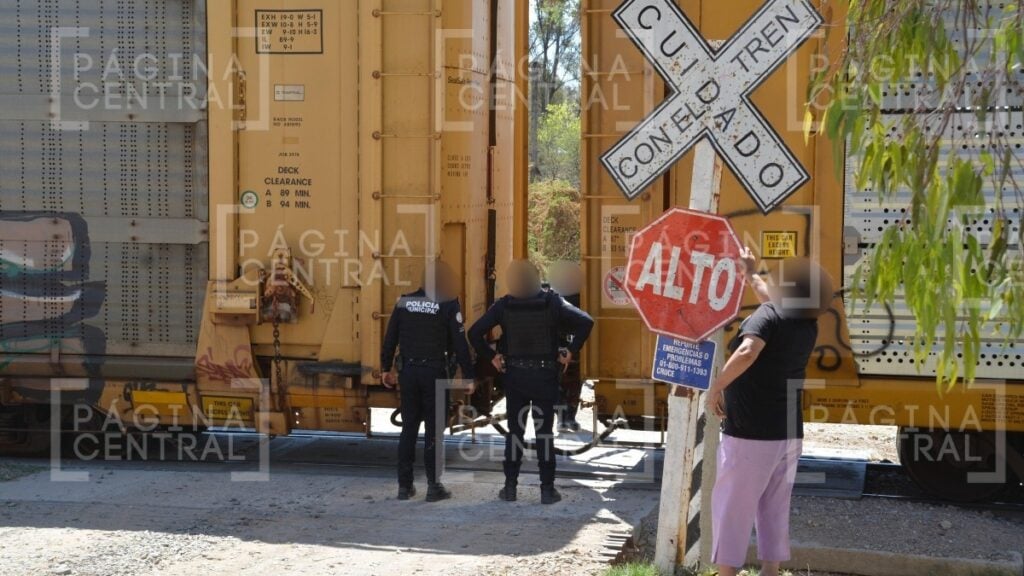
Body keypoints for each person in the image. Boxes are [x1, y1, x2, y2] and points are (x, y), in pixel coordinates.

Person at [704, 249, 835, 576]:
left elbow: (748, 351)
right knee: (774, 505)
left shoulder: (768, 315)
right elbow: (769, 301)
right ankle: (770, 570)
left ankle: (726, 574)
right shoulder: (806, 323)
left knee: (732, 505)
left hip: (751, 432)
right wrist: (750, 272)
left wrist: (716, 387)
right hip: (787, 433)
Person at [468, 260, 594, 504]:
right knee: (544, 434)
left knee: (515, 433)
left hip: (515, 377)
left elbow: (474, 333)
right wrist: (570, 351)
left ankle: (510, 488)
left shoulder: (503, 305)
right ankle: (547, 490)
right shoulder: (552, 302)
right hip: (545, 377)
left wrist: (492, 357)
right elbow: (586, 321)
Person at [380, 261, 475, 502]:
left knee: (409, 428)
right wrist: (468, 375)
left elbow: (390, 338)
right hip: (435, 374)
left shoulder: (404, 302)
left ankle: (404, 487)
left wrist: (385, 369)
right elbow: (460, 344)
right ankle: (433, 487)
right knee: (434, 431)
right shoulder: (448, 304)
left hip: (409, 373)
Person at [547, 261, 586, 433]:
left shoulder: (553, 299)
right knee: (572, 383)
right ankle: (566, 417)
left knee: (562, 383)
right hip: (571, 348)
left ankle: (565, 417)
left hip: (564, 348)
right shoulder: (582, 298)